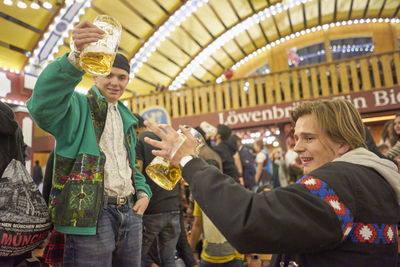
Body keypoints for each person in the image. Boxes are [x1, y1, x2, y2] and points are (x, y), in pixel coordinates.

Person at [143, 99, 400, 267]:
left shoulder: (340, 183)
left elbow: (251, 221)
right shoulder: (371, 177)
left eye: (308, 138)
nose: (297, 147)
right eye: (297, 137)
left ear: (342, 143)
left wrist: (189, 161)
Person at [27, 20, 152, 267]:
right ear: (95, 74)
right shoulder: (78, 105)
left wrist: (144, 192)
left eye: (122, 77)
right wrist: (74, 59)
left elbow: (129, 166)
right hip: (91, 216)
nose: (115, 82)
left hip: (130, 212)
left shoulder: (128, 118)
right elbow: (42, 105)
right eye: (109, 75)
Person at [136, 125, 181, 267]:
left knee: (138, 258)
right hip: (173, 207)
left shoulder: (140, 140)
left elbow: (137, 171)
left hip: (152, 210)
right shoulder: (165, 139)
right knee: (168, 258)